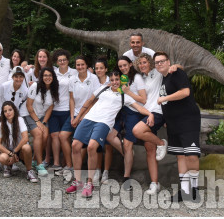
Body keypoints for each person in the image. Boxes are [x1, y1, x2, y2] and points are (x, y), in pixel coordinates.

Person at [65, 70, 153, 198]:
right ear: (109, 81)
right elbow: (88, 102)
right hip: (89, 118)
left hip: (104, 123)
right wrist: (78, 118)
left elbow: (139, 107)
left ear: (121, 81)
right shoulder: (103, 89)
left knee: (91, 147)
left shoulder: (125, 96)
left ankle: (89, 183)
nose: (114, 82)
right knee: (75, 145)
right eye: (112, 80)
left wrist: (150, 114)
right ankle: (77, 181)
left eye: (117, 80)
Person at [155, 51, 202, 202]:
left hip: (188, 120)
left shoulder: (177, 73)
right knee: (180, 156)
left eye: (162, 61)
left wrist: (164, 98)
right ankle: (184, 191)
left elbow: (185, 92)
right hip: (173, 122)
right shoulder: (164, 79)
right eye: (157, 62)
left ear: (169, 62)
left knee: (191, 154)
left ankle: (194, 190)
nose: (160, 64)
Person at [131, 52, 174, 195]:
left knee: (137, 131)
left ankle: (162, 143)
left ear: (150, 63)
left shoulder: (158, 73)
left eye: (144, 62)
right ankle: (155, 184)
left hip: (157, 112)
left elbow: (174, 67)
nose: (142, 65)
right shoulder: (140, 78)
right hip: (146, 114)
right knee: (150, 151)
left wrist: (175, 67)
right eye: (140, 63)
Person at [103, 55, 147, 190]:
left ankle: (126, 177)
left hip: (134, 112)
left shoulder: (137, 78)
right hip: (121, 111)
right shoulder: (121, 78)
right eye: (120, 66)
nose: (123, 68)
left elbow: (143, 99)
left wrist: (128, 92)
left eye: (125, 65)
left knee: (128, 144)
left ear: (130, 64)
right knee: (109, 136)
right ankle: (126, 153)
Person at [57, 55, 99, 181]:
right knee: (62, 136)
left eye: (82, 64)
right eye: (78, 65)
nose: (80, 67)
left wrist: (83, 116)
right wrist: (72, 117)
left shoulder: (94, 79)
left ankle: (77, 171)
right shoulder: (72, 79)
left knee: (79, 142)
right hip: (75, 114)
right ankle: (69, 166)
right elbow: (71, 99)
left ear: (87, 65)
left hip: (89, 114)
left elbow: (95, 100)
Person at [0, 66, 30, 173]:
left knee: (12, 136)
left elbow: (24, 102)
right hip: (0, 112)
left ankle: (10, 162)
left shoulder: (25, 90)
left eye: (21, 77)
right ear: (12, 77)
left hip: (13, 114)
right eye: (16, 76)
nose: (18, 79)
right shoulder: (4, 86)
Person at [0, 101, 39, 183]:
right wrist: (10, 154)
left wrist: (15, 152)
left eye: (10, 110)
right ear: (3, 113)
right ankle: (8, 166)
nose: (8, 113)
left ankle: (29, 171)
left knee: (27, 147)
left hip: (19, 150)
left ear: (14, 110)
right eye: (5, 111)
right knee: (2, 157)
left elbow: (25, 138)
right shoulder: (1, 124)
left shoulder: (20, 120)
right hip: (8, 151)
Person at [25, 67, 58, 176]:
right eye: (45, 75)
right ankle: (40, 164)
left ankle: (34, 161)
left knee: (45, 136)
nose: (47, 77)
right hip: (29, 114)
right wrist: (37, 122)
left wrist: (43, 122)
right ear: (41, 77)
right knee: (39, 134)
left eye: (50, 75)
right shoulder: (35, 86)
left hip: (43, 117)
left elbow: (50, 107)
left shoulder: (53, 88)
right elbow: (28, 105)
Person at [49, 49, 75, 176]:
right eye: (60, 60)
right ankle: (57, 163)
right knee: (54, 136)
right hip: (54, 109)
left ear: (68, 60)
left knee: (64, 137)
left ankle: (67, 164)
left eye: (64, 60)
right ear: (57, 62)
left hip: (67, 110)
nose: (62, 62)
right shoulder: (53, 73)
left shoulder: (74, 72)